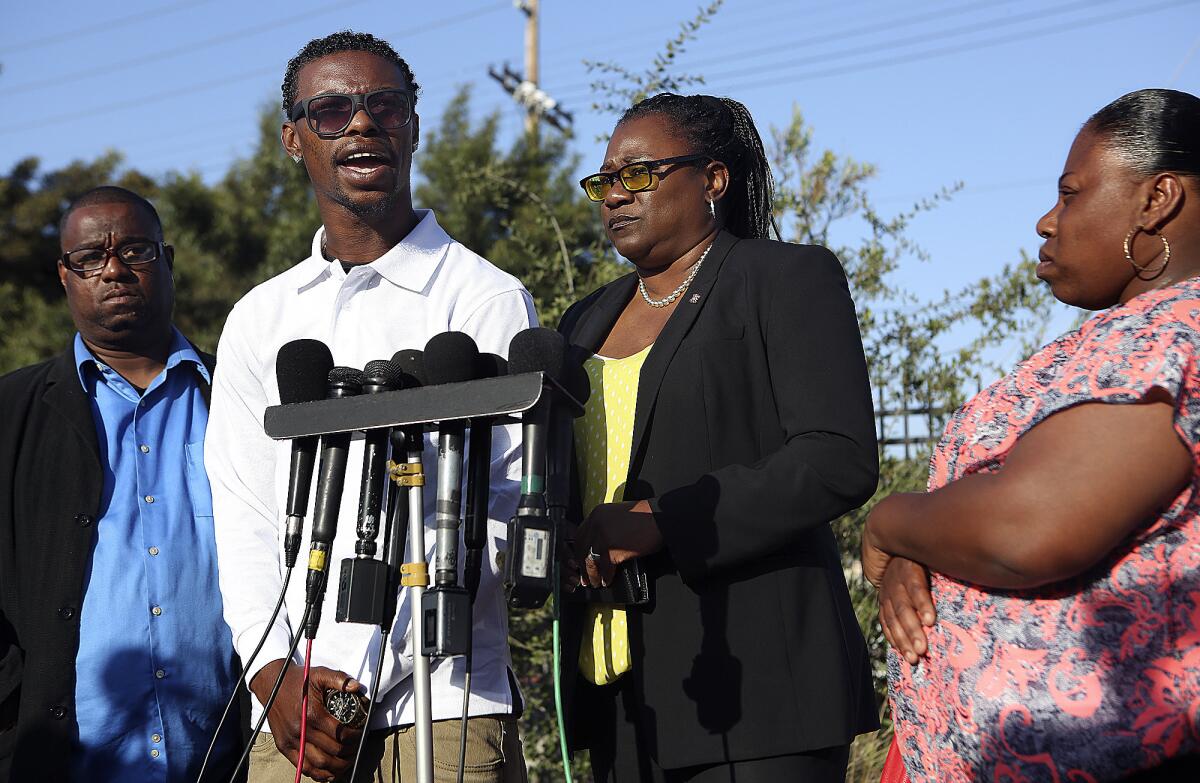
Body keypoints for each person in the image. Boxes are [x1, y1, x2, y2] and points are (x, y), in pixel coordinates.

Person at [205, 31, 536, 783]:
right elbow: (244, 507)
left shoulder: (484, 298)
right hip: (294, 714)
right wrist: (272, 674)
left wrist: (348, 677)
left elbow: (501, 513)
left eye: (384, 104)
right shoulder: (261, 317)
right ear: (293, 138)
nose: (361, 123)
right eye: (331, 110)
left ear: (413, 125)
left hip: (447, 703)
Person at [863, 88, 1200, 782]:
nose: (1047, 220)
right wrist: (913, 558)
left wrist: (890, 522)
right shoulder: (1109, 340)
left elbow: (1028, 527)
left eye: (1071, 195)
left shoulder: (1177, 334)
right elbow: (975, 507)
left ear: (1157, 199)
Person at [559, 93, 879, 782]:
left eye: (639, 174)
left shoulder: (783, 279)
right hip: (620, 694)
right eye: (605, 180)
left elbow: (837, 458)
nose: (615, 194)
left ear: (712, 180)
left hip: (758, 691)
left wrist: (662, 521)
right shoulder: (581, 321)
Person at [0, 186, 243, 781]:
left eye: (135, 251)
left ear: (168, 259)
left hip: (228, 752)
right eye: (89, 258)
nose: (113, 270)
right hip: (63, 759)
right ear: (65, 275)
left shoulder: (239, 397)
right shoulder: (11, 411)